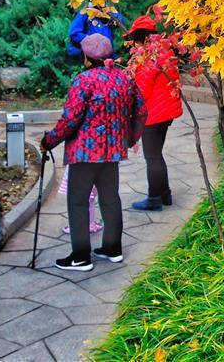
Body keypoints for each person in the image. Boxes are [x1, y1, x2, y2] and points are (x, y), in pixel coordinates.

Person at [40, 33, 146, 271]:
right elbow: (141, 112)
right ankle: (112, 248)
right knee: (110, 199)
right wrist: (129, 139)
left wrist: (49, 141)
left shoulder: (84, 80)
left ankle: (80, 257)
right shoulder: (124, 78)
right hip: (112, 153)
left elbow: (70, 120)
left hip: (85, 154)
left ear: (87, 57)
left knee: (77, 202)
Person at [124, 15, 183, 212]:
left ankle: (154, 199)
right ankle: (165, 194)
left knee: (152, 157)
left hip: (154, 113)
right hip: (164, 112)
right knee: (156, 154)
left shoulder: (151, 55)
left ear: (141, 37)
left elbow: (142, 87)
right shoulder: (164, 49)